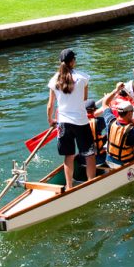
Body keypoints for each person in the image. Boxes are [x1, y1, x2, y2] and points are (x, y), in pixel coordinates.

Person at [47, 48, 94, 189]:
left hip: (62, 123)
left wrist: (50, 120)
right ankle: (91, 182)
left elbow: (50, 105)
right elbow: (84, 98)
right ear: (73, 61)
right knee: (89, 154)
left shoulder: (53, 80)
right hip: (80, 121)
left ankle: (69, 186)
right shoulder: (83, 77)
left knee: (69, 155)